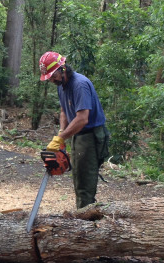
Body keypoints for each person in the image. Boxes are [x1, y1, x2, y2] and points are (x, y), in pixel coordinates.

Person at [39, 51, 109, 209]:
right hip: (78, 135)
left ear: (63, 68)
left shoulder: (79, 84)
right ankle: (84, 213)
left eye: (53, 75)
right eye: (49, 77)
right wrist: (61, 134)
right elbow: (64, 111)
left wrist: (62, 138)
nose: (51, 79)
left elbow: (82, 118)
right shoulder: (61, 86)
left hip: (91, 135)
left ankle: (87, 221)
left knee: (85, 182)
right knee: (78, 177)